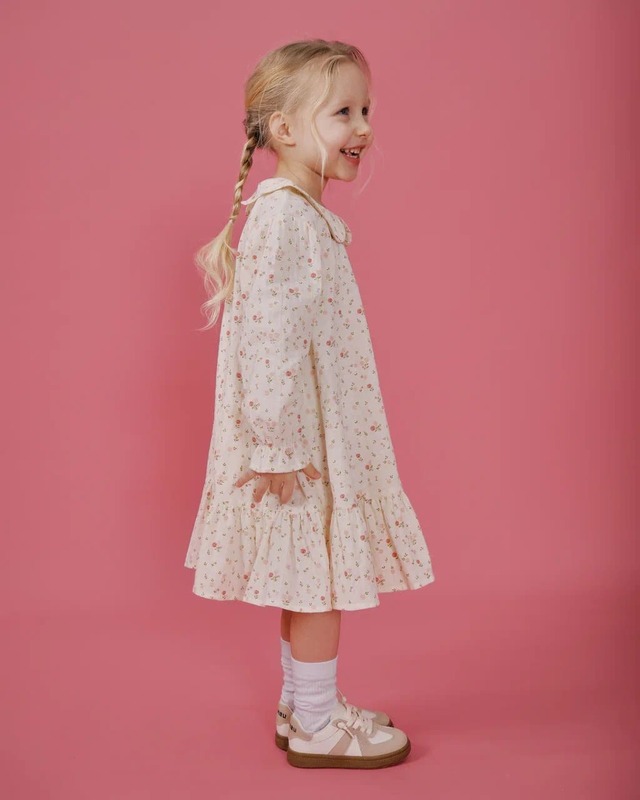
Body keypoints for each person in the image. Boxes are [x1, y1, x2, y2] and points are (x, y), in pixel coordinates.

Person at [184, 38, 435, 769]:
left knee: (306, 577)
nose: (363, 127)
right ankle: (319, 725)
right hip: (298, 449)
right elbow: (269, 342)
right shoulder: (287, 220)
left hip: (309, 440)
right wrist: (275, 448)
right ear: (286, 129)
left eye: (366, 110)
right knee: (318, 581)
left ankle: (304, 705)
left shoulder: (298, 214)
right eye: (343, 113)